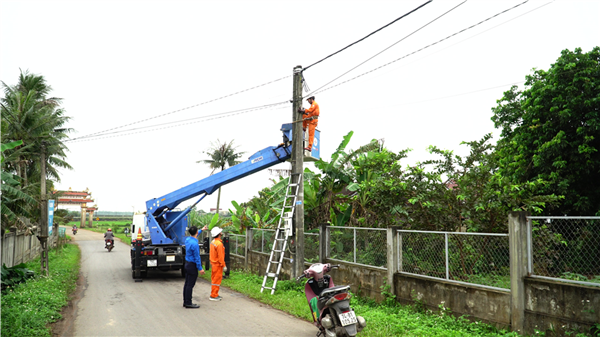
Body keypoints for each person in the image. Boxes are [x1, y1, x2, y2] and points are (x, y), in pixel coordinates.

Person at [183, 225, 207, 308]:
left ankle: (185, 301)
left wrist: (201, 230)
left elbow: (194, 234)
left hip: (187, 264)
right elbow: (197, 257)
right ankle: (188, 303)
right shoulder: (195, 244)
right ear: (196, 232)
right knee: (190, 285)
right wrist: (200, 268)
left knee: (187, 284)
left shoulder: (188, 240)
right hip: (192, 265)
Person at [209, 226, 226, 301]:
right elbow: (220, 256)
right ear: (219, 234)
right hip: (218, 264)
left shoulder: (213, 242)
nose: (221, 233)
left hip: (213, 264)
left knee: (214, 280)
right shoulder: (219, 244)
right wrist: (224, 265)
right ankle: (214, 295)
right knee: (216, 280)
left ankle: (214, 294)